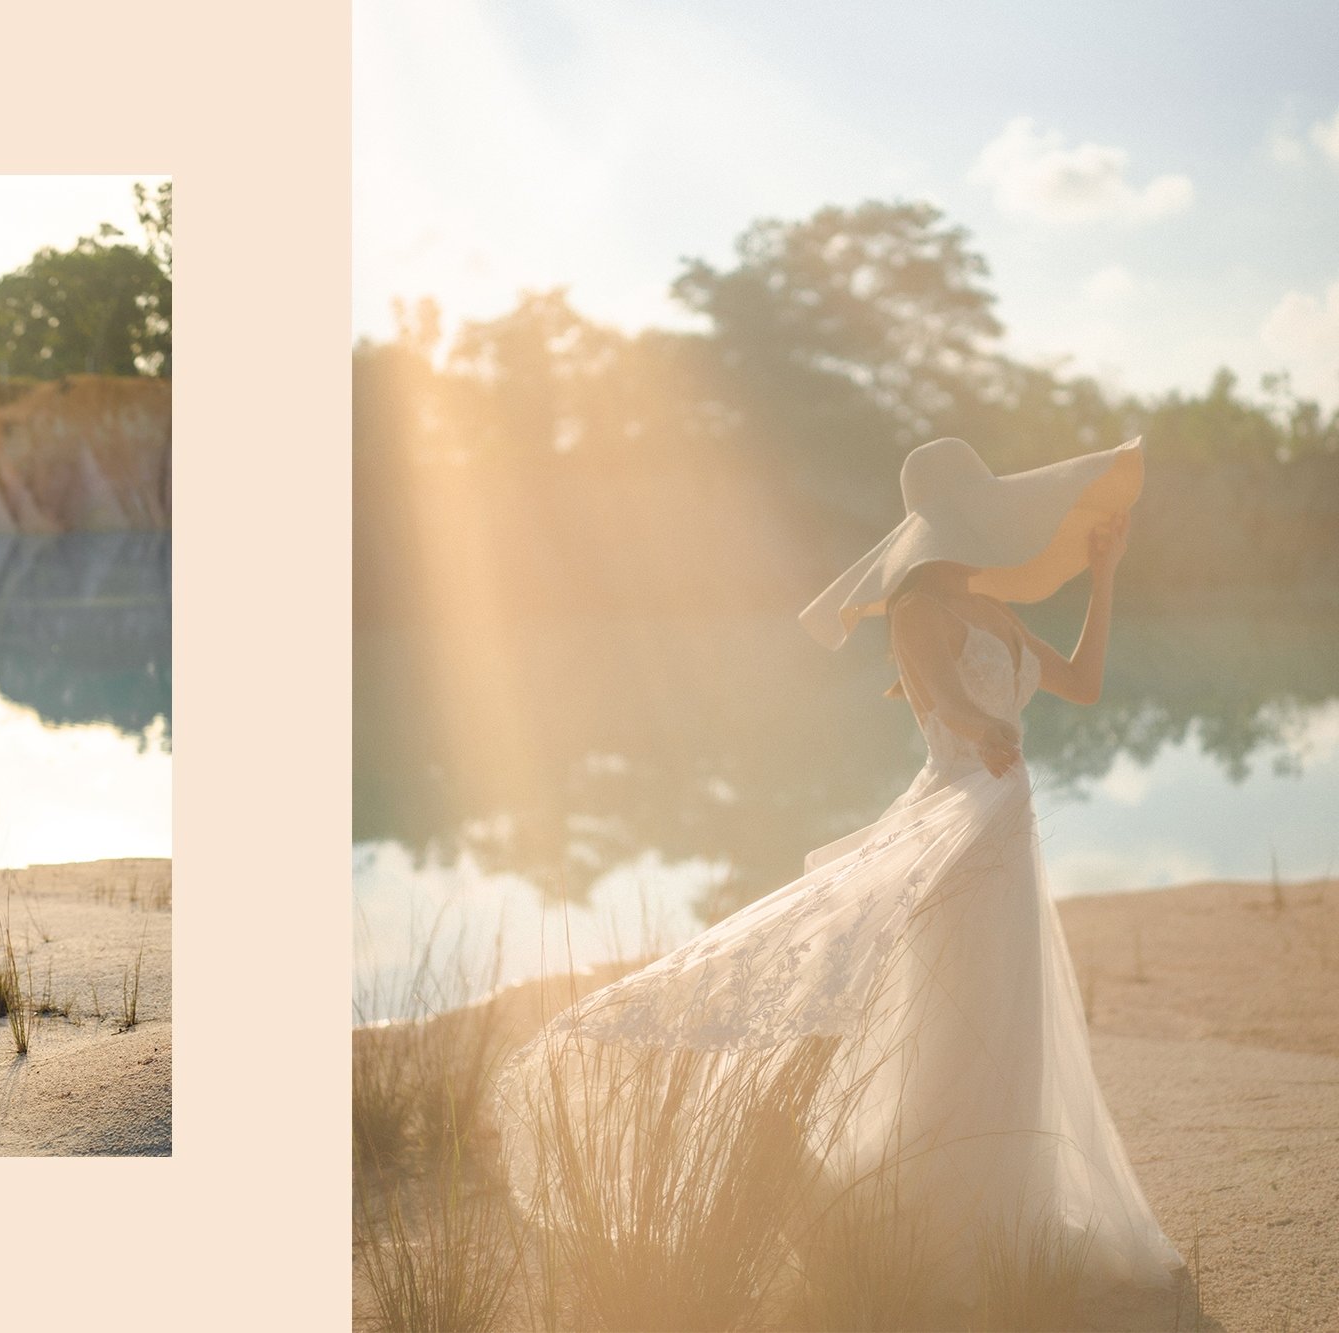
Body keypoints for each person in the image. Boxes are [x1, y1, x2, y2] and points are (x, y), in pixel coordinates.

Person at [496, 436, 1184, 1322]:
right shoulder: (915, 614)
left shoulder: (996, 610)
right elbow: (944, 698)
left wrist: (1106, 573)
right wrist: (982, 726)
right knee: (960, 1015)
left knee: (1011, 1013)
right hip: (958, 819)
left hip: (1006, 824)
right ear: (940, 529)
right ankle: (941, 1230)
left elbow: (1084, 685)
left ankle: (1007, 1220)